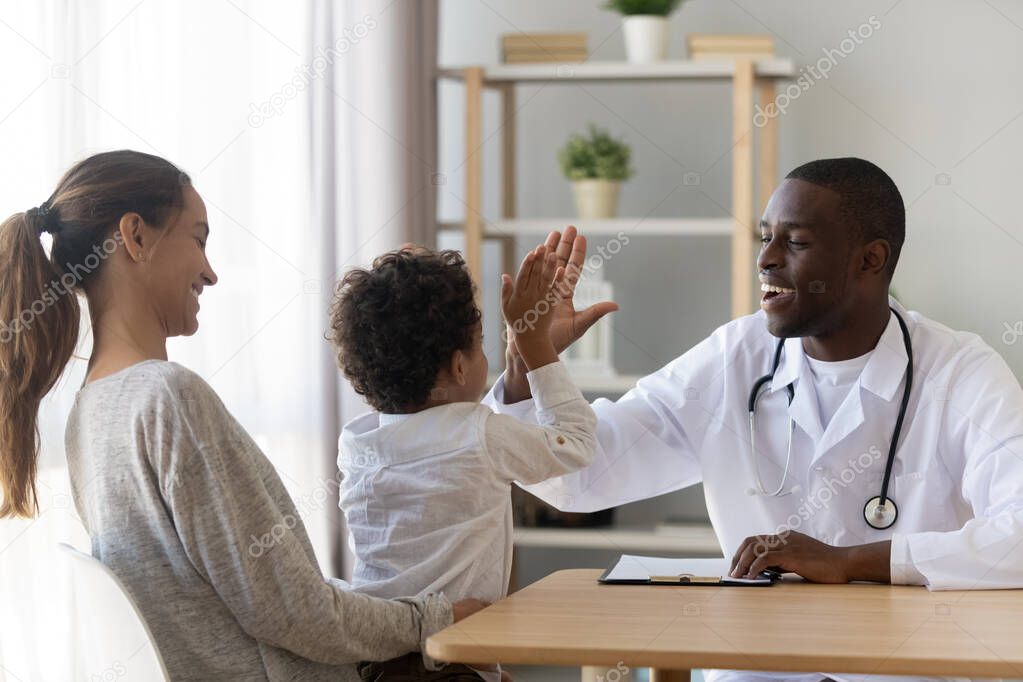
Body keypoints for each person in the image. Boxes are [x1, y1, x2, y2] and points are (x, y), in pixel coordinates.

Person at [486, 158, 1023, 682]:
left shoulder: (959, 372)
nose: (765, 259)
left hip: (909, 669)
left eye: (796, 242)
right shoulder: (732, 358)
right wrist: (529, 362)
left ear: (870, 259)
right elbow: (582, 478)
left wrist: (848, 561)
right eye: (765, 237)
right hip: (758, 666)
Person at [0, 150, 487, 681]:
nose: (210, 272)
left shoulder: (90, 411)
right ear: (135, 237)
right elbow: (294, 614)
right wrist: (434, 620)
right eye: (199, 239)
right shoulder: (168, 399)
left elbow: (267, 602)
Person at [328, 245, 598, 681]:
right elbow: (578, 443)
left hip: (374, 662)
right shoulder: (479, 434)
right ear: (458, 365)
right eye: (479, 347)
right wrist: (535, 347)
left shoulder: (357, 443)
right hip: (450, 667)